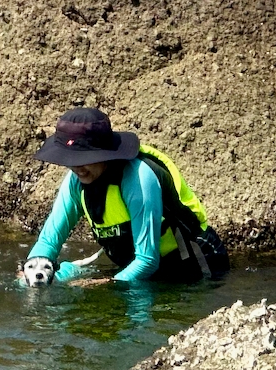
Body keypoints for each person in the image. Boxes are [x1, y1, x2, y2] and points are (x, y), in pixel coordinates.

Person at [20, 108, 229, 287]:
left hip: (194, 266)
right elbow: (48, 240)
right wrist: (33, 270)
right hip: (137, 270)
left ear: (104, 154)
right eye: (71, 160)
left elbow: (147, 260)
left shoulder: (138, 179)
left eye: (83, 159)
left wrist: (106, 284)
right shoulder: (76, 180)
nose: (76, 168)